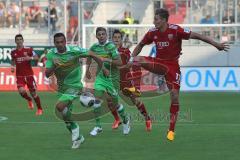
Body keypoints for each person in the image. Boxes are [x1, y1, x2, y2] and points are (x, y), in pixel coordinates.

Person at [126, 8, 229, 141]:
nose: (154, 21)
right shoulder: (152, 32)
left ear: (163, 20)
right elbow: (140, 44)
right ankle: (137, 89)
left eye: (156, 19)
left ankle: (171, 130)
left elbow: (198, 36)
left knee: (174, 97)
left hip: (172, 66)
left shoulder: (176, 30)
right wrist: (130, 58)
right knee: (136, 59)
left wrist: (216, 44)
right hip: (158, 63)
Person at [45, 32, 103, 149]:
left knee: (60, 106)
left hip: (75, 85)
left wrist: (99, 66)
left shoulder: (75, 50)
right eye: (57, 42)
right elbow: (47, 74)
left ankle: (76, 128)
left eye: (62, 42)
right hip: (62, 88)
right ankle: (79, 138)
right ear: (54, 43)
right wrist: (54, 66)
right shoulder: (51, 55)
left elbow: (91, 54)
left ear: (65, 41)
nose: (60, 44)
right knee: (66, 119)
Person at [86, 27, 130, 136]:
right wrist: (87, 70)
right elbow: (89, 56)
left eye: (103, 34)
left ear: (106, 36)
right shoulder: (94, 47)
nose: (101, 36)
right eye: (99, 34)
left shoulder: (111, 47)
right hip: (100, 78)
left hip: (112, 78)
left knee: (114, 104)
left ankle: (125, 120)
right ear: (96, 36)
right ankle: (98, 126)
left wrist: (106, 59)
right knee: (97, 100)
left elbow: (119, 62)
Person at [111, 29, 152, 131]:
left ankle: (147, 118)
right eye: (114, 37)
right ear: (112, 39)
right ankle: (117, 119)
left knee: (135, 101)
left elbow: (130, 64)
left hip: (125, 80)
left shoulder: (125, 51)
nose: (116, 39)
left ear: (121, 40)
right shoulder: (109, 51)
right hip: (113, 80)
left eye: (118, 38)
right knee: (109, 100)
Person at [11, 34, 43, 116]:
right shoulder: (13, 52)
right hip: (19, 76)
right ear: (15, 41)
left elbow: (37, 57)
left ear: (23, 40)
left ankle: (39, 109)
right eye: (17, 39)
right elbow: (13, 60)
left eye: (20, 39)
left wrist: (30, 58)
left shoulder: (29, 49)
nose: (19, 41)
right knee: (21, 91)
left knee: (34, 93)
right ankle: (29, 99)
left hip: (29, 76)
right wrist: (12, 66)